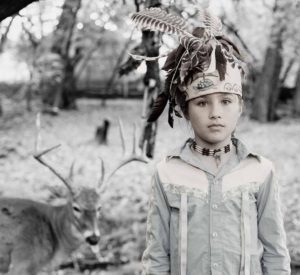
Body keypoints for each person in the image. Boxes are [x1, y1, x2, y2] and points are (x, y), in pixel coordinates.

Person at [131, 7, 291, 275]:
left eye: (226, 101)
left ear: (240, 106)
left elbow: (275, 253)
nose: (215, 113)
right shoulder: (167, 173)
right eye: (202, 102)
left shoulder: (261, 172)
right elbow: (157, 256)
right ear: (184, 109)